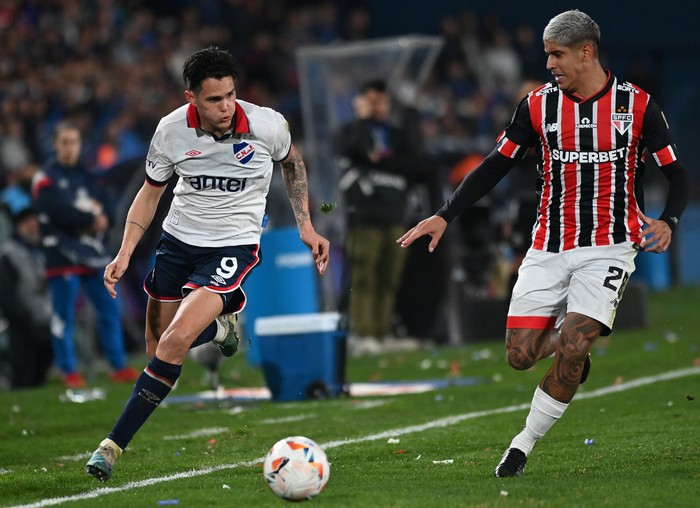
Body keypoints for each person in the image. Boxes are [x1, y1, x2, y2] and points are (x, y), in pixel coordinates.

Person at [398, 10, 689, 477]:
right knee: (520, 356)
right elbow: (496, 164)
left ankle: (522, 445)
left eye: (557, 54)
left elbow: (677, 175)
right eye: (547, 53)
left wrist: (670, 220)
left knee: (573, 345)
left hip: (611, 245)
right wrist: (445, 214)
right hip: (548, 245)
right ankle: (575, 348)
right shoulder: (537, 106)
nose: (549, 63)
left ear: (586, 51)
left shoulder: (637, 106)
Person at [85, 46, 329, 482]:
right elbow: (150, 192)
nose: (225, 106)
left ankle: (111, 447)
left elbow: (293, 165)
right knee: (156, 350)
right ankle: (219, 327)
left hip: (232, 245)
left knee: (176, 340)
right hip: (178, 242)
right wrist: (123, 252)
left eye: (231, 95)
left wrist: (305, 227)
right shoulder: (170, 131)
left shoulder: (267, 124)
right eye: (214, 99)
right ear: (190, 98)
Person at [33, 122, 139, 389]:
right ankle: (68, 370)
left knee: (109, 309)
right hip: (61, 255)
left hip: (92, 254)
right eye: (65, 142)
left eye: (74, 142)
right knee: (64, 315)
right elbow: (55, 213)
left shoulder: (88, 176)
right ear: (55, 145)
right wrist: (91, 218)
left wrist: (99, 217)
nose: (70, 148)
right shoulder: (45, 178)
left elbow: (110, 208)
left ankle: (118, 365)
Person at [335, 79, 420, 353]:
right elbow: (350, 150)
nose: (377, 106)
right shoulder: (351, 131)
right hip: (365, 215)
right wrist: (361, 122)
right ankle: (363, 334)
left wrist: (379, 158)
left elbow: (413, 162)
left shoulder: (396, 134)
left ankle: (381, 334)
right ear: (360, 103)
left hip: (395, 213)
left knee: (389, 276)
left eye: (381, 101)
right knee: (364, 275)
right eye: (371, 101)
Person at [0, 206, 54, 389]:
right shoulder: (8, 254)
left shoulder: (41, 251)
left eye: (34, 222)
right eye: (26, 223)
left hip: (45, 320)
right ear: (17, 227)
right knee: (23, 376)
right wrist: (26, 320)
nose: (32, 227)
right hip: (22, 324)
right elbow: (7, 295)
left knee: (40, 377)